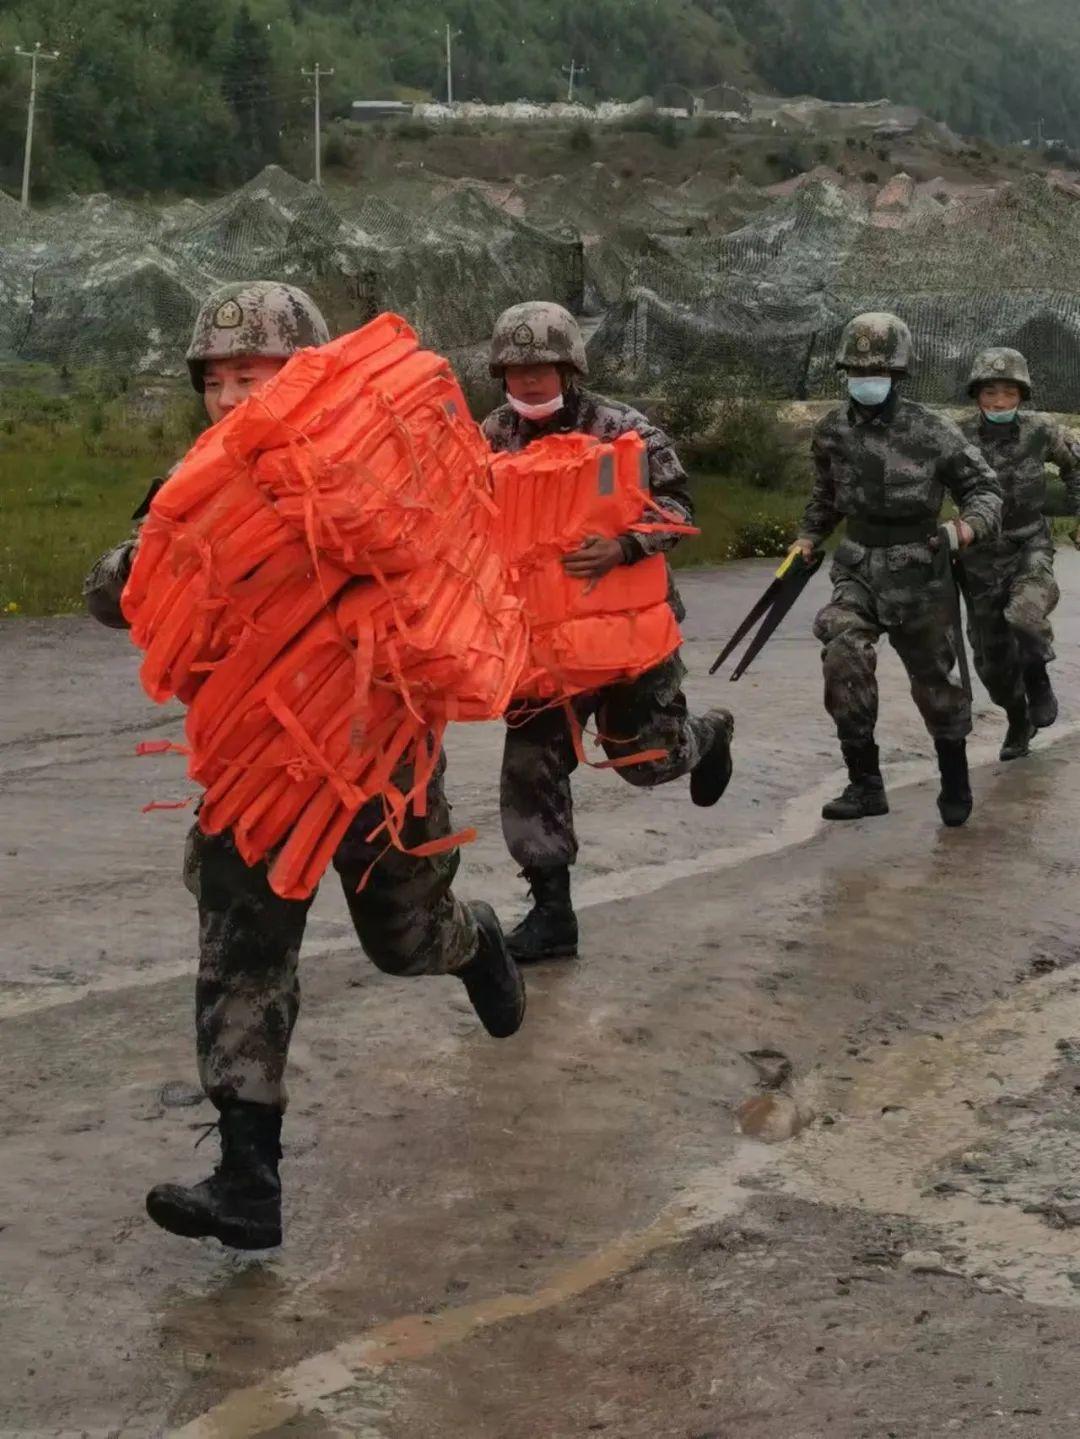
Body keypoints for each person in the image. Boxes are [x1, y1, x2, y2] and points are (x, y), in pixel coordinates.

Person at [85, 281, 526, 1250]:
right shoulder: (194, 481)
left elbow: (451, 560)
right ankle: (248, 1176)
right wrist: (138, 571)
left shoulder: (380, 467)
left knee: (401, 938)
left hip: (378, 752)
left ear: (312, 377)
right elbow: (115, 588)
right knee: (242, 948)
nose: (237, 395)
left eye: (261, 375)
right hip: (259, 766)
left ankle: (474, 939)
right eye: (220, 379)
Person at [482, 301, 735, 963]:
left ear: (570, 367)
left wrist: (624, 544)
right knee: (530, 767)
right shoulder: (491, 436)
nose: (529, 379)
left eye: (543, 366)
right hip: (541, 644)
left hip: (628, 637)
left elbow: (679, 505)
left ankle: (705, 738)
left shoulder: (623, 427)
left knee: (644, 762)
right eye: (516, 367)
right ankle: (551, 911)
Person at [791, 312, 1002, 828]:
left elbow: (985, 489)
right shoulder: (831, 430)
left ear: (898, 374)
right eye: (858, 368)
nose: (867, 377)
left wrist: (968, 528)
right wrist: (808, 536)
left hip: (921, 569)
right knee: (842, 657)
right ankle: (865, 784)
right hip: (858, 565)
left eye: (878, 369)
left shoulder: (933, 431)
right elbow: (825, 497)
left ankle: (954, 778)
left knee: (936, 683)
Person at [959, 347, 1080, 760]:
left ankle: (1039, 677)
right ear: (976, 395)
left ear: (1022, 396)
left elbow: (1075, 465)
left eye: (1008, 393)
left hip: (1030, 544)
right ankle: (1017, 719)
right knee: (990, 665)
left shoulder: (1040, 431)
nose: (998, 402)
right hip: (977, 556)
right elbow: (927, 485)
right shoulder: (957, 438)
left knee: (1024, 614)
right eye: (990, 392)